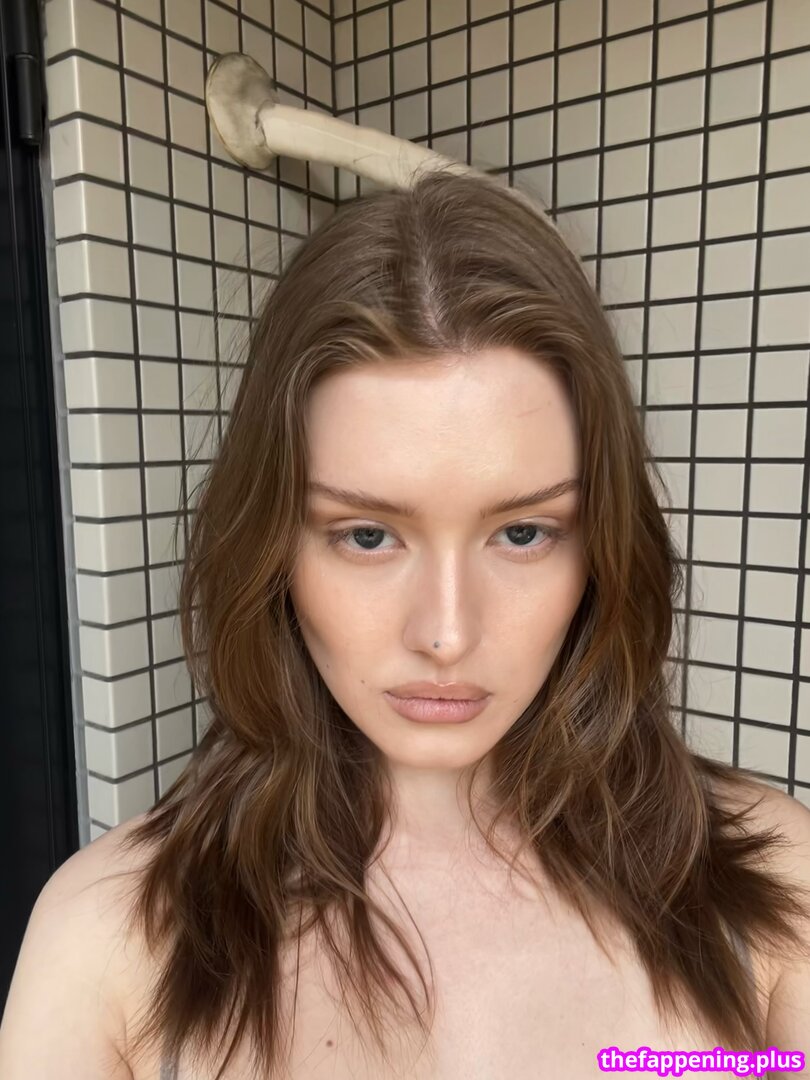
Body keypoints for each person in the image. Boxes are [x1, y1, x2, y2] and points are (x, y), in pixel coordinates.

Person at [1, 165, 809, 1080]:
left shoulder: (777, 891)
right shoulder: (106, 941)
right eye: (368, 535)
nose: (447, 634)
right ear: (271, 547)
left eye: (523, 532)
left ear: (604, 548)